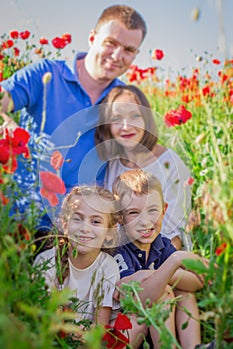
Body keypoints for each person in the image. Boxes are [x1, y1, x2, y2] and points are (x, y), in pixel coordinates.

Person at [0, 5, 147, 231]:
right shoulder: (46, 74)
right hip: (21, 216)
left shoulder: (124, 100)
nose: (117, 56)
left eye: (128, 49)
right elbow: (3, 99)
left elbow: (143, 153)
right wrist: (5, 119)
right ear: (92, 38)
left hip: (79, 229)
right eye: (111, 43)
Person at [111, 169, 209, 349]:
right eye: (134, 213)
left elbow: (197, 282)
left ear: (164, 210)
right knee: (164, 291)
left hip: (153, 326)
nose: (145, 221)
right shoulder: (119, 249)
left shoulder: (161, 244)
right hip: (127, 331)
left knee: (184, 292)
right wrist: (173, 264)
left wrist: (163, 271)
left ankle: (194, 347)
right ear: (120, 217)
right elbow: (140, 299)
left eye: (153, 210)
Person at [95, 84, 192, 250]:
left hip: (165, 259)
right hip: (122, 257)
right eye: (117, 119)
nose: (126, 126)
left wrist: (153, 272)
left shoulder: (169, 163)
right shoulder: (113, 165)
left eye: (135, 116)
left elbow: (175, 234)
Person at [33, 184, 121, 326]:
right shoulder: (46, 260)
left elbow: (99, 329)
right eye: (77, 219)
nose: (85, 228)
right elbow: (42, 316)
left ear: (110, 232)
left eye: (95, 221)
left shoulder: (107, 267)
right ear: (64, 224)